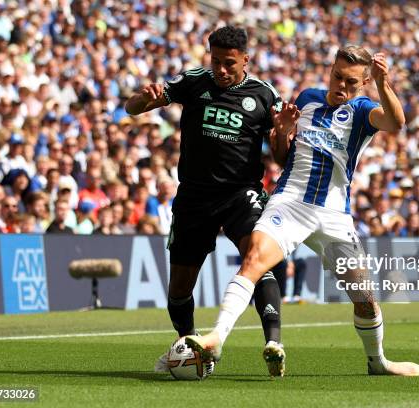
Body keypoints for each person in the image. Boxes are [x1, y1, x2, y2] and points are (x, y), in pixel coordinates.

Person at [186, 46, 419, 377]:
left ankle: (378, 361)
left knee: (365, 298)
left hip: (333, 214)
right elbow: (282, 157)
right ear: (330, 69)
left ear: (366, 82)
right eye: (337, 76)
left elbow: (396, 123)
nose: (341, 85)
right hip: (290, 201)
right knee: (254, 259)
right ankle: (216, 336)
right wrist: (283, 131)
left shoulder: (363, 110)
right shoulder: (308, 98)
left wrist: (385, 85)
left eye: (352, 82)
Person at [125, 26, 293, 376]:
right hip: (194, 197)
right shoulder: (193, 81)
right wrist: (145, 99)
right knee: (179, 289)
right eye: (215, 61)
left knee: (256, 258)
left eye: (229, 63)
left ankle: (273, 342)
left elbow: (279, 157)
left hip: (239, 194)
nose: (221, 69)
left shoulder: (264, 95)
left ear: (245, 59)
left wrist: (282, 132)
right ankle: (192, 346)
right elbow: (132, 108)